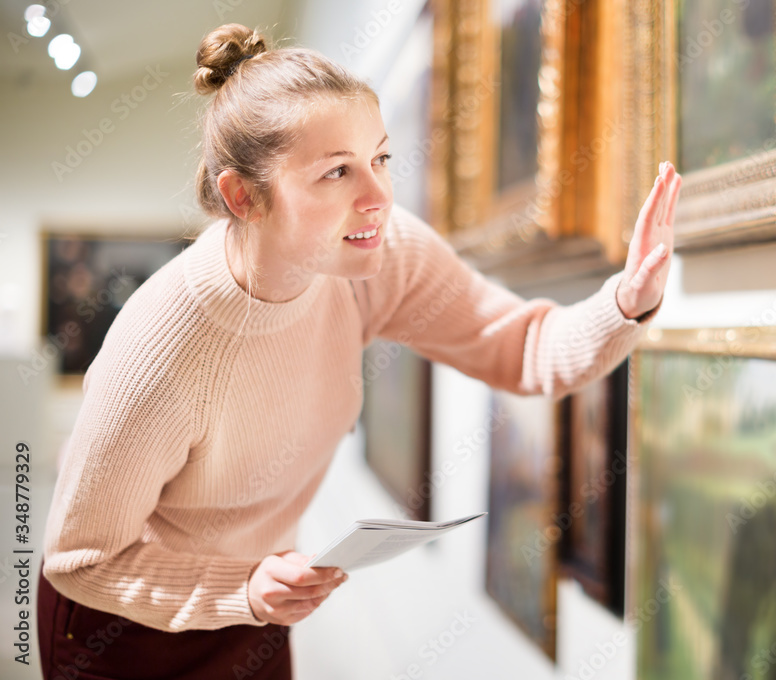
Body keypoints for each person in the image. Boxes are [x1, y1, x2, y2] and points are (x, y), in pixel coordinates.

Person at [37, 22, 682, 680]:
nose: (378, 198)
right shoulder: (163, 345)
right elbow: (82, 560)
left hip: (254, 610)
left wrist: (624, 303)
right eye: (336, 172)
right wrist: (241, 589)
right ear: (242, 196)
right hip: (120, 628)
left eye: (380, 159)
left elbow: (522, 349)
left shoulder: (381, 255)